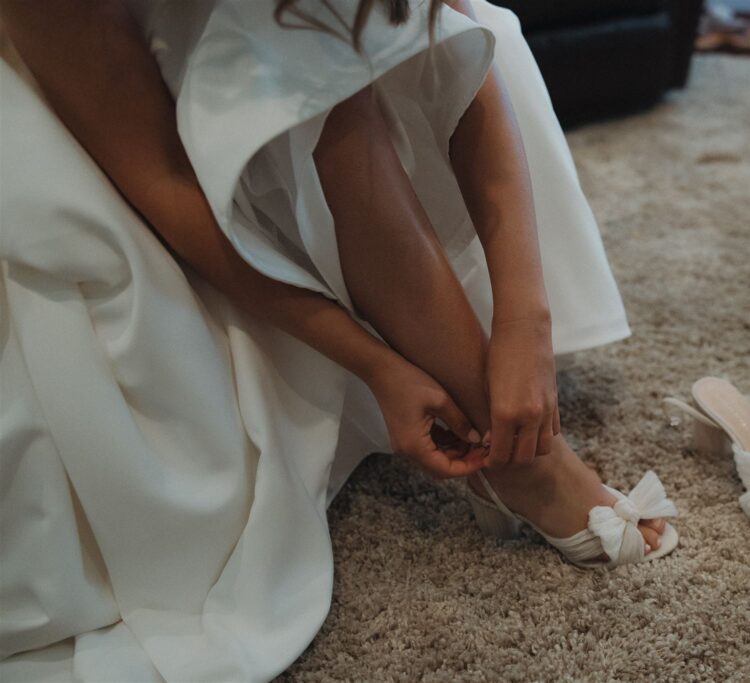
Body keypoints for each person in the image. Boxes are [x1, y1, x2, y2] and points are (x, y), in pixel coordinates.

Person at [0, 0, 678, 679]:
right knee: (307, 89)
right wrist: (371, 362)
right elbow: (159, 181)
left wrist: (526, 321)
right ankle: (524, 461)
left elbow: (460, 39)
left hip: (275, 68)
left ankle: (514, 441)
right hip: (116, 129)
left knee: (352, 67)